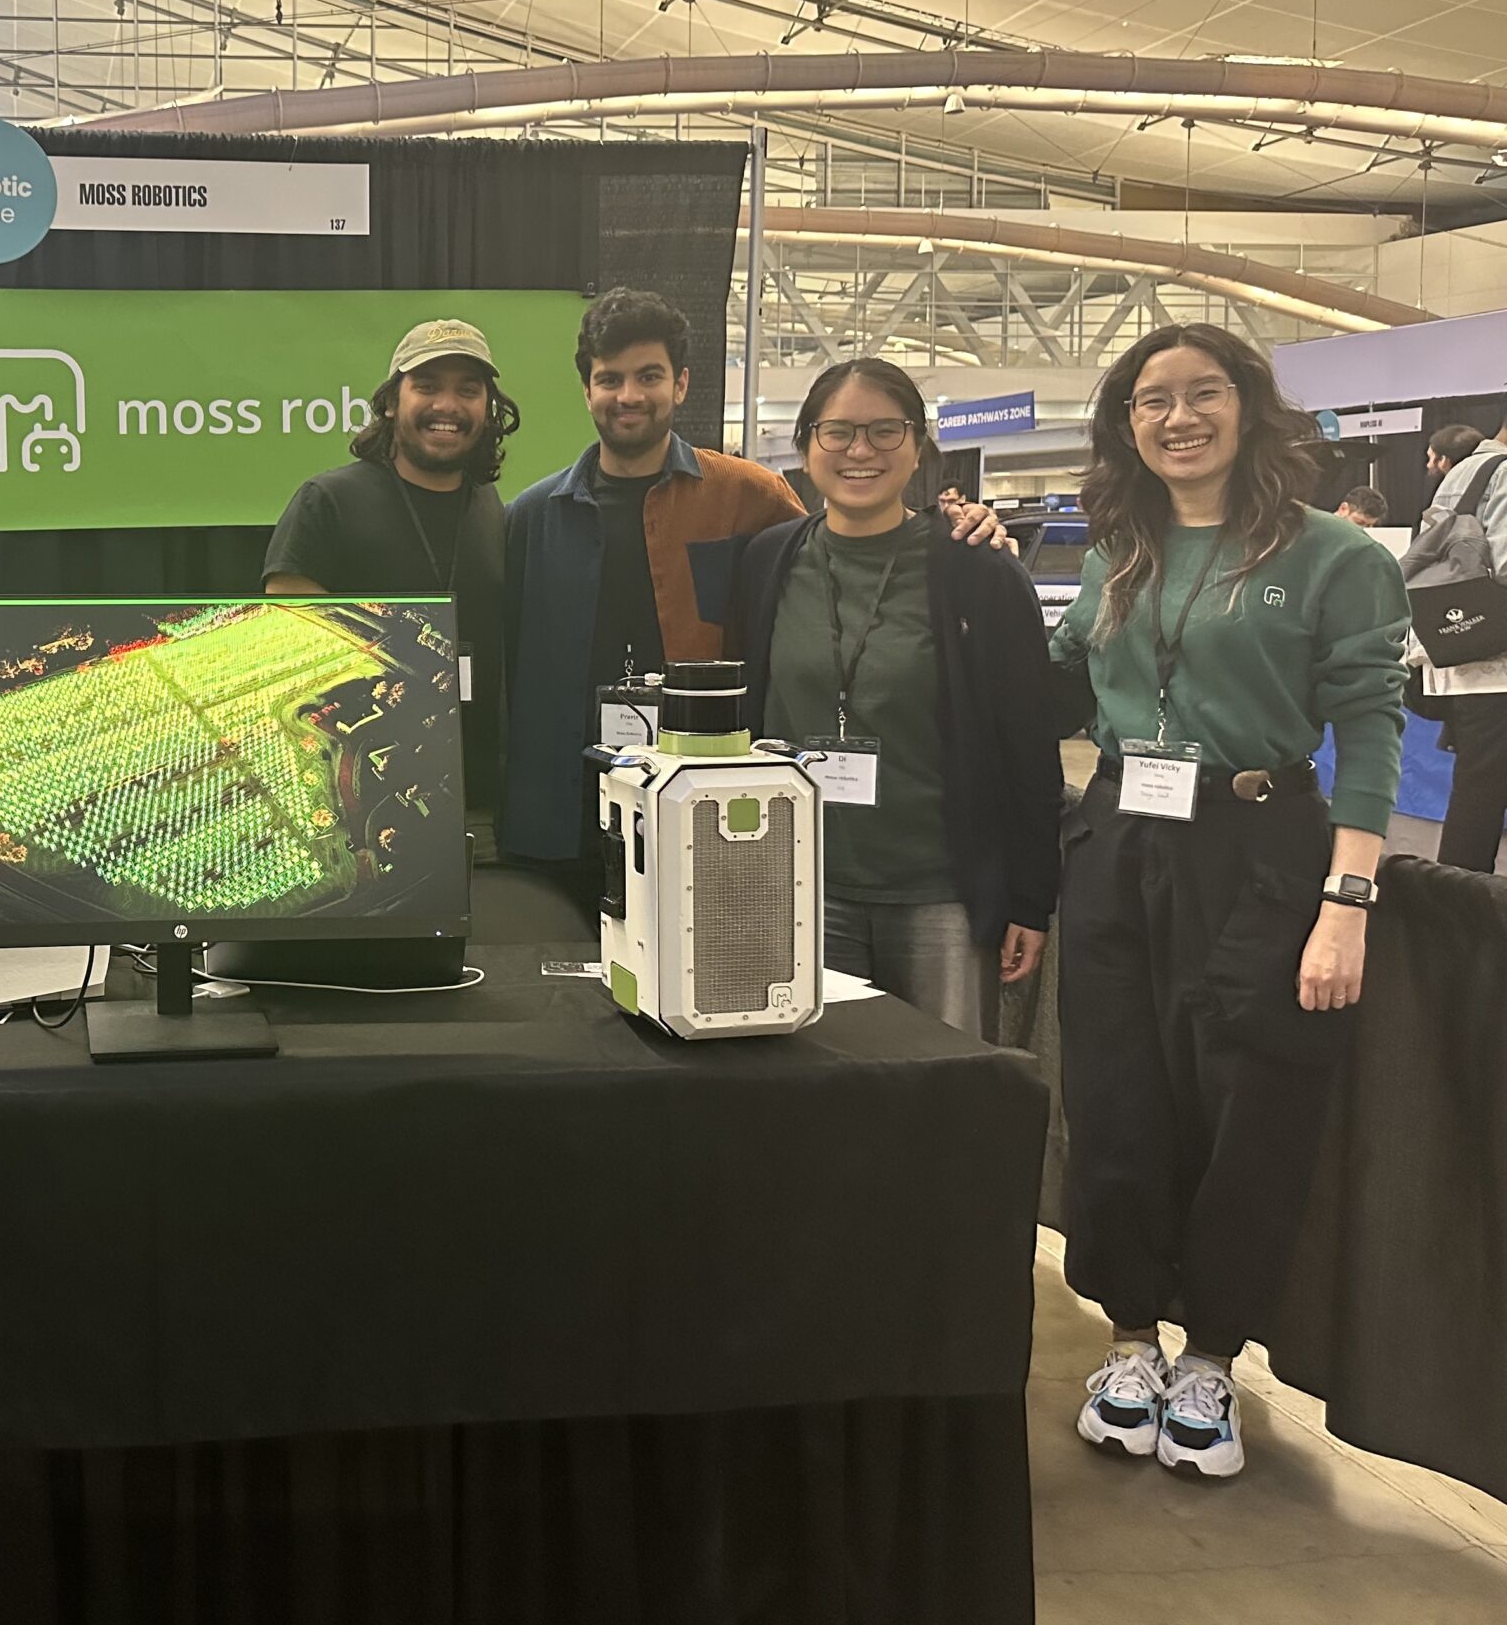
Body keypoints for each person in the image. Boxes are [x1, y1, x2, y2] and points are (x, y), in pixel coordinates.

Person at [1051, 323, 1405, 1482]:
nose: (1176, 417)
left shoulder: (1332, 556)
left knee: (1246, 1106)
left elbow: (1368, 728)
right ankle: (1129, 1340)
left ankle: (1210, 1356)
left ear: (1249, 409)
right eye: (1151, 400)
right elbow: (1059, 679)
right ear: (1126, 424)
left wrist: (1344, 896)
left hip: (1260, 847)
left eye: (1201, 394)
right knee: (1115, 1091)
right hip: (1119, 839)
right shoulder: (1117, 552)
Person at [499, 288, 1009, 874]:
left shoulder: (748, 497)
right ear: (587, 389)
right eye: (610, 379)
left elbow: (842, 554)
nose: (630, 396)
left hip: (703, 810)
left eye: (649, 376)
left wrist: (960, 526)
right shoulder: (533, 517)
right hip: (561, 814)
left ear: (682, 383)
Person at [729, 359, 1063, 1041]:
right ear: (803, 447)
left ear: (917, 449)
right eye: (839, 431)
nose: (861, 451)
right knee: (813, 1093)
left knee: (941, 1095)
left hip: (937, 894)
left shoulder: (977, 569)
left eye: (886, 431)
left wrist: (1032, 897)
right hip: (800, 887)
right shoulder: (768, 562)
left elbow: (1028, 742)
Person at [264, 318, 518, 803]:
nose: (447, 405)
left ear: (488, 410)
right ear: (389, 401)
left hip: (481, 801)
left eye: (467, 390)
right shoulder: (327, 502)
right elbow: (293, 660)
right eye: (426, 386)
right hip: (363, 800)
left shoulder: (488, 506)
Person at [1414, 420, 1507, 871]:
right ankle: (1463, 914)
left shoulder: (1463, 472)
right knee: (1481, 794)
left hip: (1462, 647)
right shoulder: (1504, 472)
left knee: (1477, 791)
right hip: (1497, 659)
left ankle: (1457, 912)